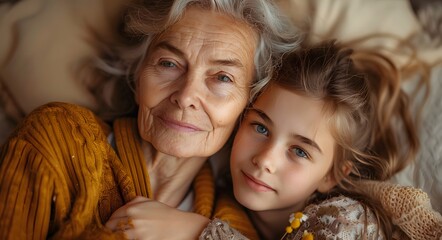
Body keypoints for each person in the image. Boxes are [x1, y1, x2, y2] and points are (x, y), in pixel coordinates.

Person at [0, 0, 301, 239]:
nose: (185, 96)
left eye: (223, 77)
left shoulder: (229, 229)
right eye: (169, 64)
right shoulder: (57, 138)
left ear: (247, 108)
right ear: (137, 75)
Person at [106, 41, 441, 240]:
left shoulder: (346, 219)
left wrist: (194, 231)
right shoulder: (220, 193)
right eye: (261, 128)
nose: (265, 159)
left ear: (331, 175)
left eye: (299, 151)